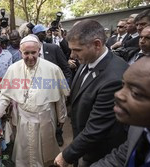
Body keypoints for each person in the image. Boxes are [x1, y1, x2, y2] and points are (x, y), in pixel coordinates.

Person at [0, 34, 70, 166]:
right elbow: (4, 96)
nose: (30, 57)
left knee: (45, 153)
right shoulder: (13, 69)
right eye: (26, 53)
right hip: (24, 118)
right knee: (25, 153)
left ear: (39, 50)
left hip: (45, 117)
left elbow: (59, 98)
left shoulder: (52, 69)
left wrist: (62, 118)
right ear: (20, 52)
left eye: (33, 52)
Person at [54, 19, 129, 167]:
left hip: (99, 153)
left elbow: (96, 128)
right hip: (82, 146)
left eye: (77, 50)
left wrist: (67, 155)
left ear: (97, 44)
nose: (72, 56)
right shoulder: (88, 60)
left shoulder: (114, 78)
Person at [91, 52, 150, 167]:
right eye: (123, 85)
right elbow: (122, 157)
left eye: (135, 92)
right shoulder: (138, 127)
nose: (118, 95)